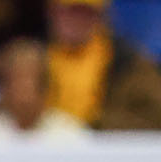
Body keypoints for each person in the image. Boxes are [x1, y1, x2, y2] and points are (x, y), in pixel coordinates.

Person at [44, 0, 161, 130]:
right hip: (41, 145)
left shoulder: (131, 63)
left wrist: (97, 126)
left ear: (101, 16)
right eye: (69, 11)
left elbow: (153, 113)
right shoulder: (32, 59)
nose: (76, 20)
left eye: (85, 13)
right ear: (53, 12)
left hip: (106, 146)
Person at [0, 37, 86, 137]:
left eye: (30, 80)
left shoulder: (69, 134)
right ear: (4, 88)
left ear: (45, 85)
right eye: (17, 80)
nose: (24, 90)